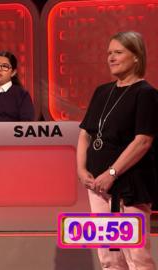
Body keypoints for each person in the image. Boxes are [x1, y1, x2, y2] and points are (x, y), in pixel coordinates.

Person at [77, 31, 157, 269]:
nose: (111, 58)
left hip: (129, 184)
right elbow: (85, 134)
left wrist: (111, 174)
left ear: (136, 57)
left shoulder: (146, 94)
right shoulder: (102, 91)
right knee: (109, 257)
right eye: (109, 53)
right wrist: (81, 170)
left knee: (136, 255)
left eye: (118, 52)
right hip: (99, 187)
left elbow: (142, 141)